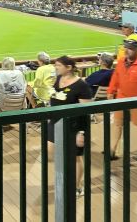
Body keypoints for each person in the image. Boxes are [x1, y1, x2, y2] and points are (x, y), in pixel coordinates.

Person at [47, 56, 92, 197]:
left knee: (76, 157)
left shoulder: (81, 86)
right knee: (51, 150)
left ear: (69, 67)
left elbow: (86, 111)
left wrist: (81, 132)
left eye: (58, 65)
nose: (56, 68)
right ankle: (65, 176)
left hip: (74, 125)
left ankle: (77, 186)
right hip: (56, 122)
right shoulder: (58, 79)